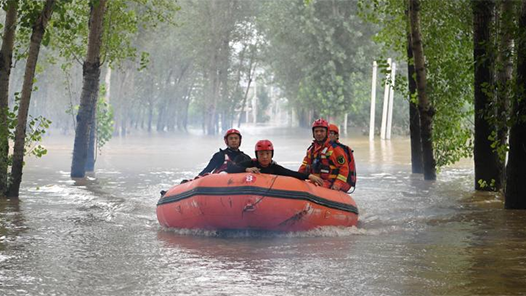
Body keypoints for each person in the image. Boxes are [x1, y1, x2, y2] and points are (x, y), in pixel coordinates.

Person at [227, 139, 324, 186]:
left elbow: (291, 173)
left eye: (267, 154)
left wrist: (309, 176)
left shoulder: (275, 168)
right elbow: (230, 168)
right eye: (261, 154)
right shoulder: (251, 164)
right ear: (257, 155)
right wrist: (246, 169)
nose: (265, 157)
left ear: (271, 155)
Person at [298, 119, 351, 192]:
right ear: (313, 133)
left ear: (327, 132)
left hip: (329, 184)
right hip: (314, 183)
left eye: (322, 131)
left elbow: (344, 168)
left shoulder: (335, 149)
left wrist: (337, 184)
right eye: (316, 131)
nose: (319, 133)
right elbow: (304, 166)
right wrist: (297, 177)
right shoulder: (311, 150)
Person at [329, 124, 357, 190]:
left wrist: (337, 184)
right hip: (326, 180)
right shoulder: (317, 148)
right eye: (327, 133)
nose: (328, 135)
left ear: (336, 136)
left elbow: (344, 169)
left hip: (342, 182)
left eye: (331, 133)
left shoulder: (338, 149)